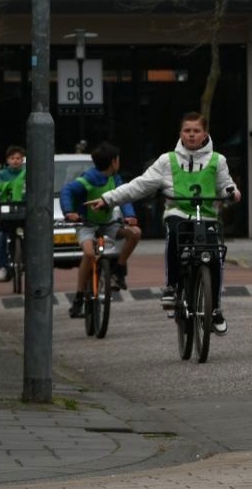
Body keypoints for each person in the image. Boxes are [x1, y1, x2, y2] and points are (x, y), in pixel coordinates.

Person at [87, 112, 240, 331]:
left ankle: (214, 308)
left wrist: (232, 192)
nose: (191, 135)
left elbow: (226, 184)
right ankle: (172, 287)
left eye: (196, 131)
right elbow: (139, 185)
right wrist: (107, 199)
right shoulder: (167, 161)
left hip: (206, 216)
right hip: (177, 212)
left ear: (205, 134)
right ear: (181, 133)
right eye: (187, 131)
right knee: (176, 235)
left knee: (214, 256)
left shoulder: (218, 160)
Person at [58, 142, 141, 318]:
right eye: (118, 159)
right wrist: (70, 212)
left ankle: (118, 271)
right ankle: (79, 299)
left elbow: (124, 196)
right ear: (113, 161)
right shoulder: (88, 179)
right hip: (87, 224)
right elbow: (67, 191)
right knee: (89, 254)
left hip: (109, 223)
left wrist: (130, 216)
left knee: (135, 234)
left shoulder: (115, 178)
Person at [0, 145, 27, 282]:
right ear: (7, 160)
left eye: (18, 158)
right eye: (12, 158)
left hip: (24, 211)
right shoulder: (2, 174)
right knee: (0, 237)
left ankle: (28, 264)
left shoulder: (28, 173)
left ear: (22, 160)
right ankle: (2, 268)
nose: (15, 161)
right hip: (5, 212)